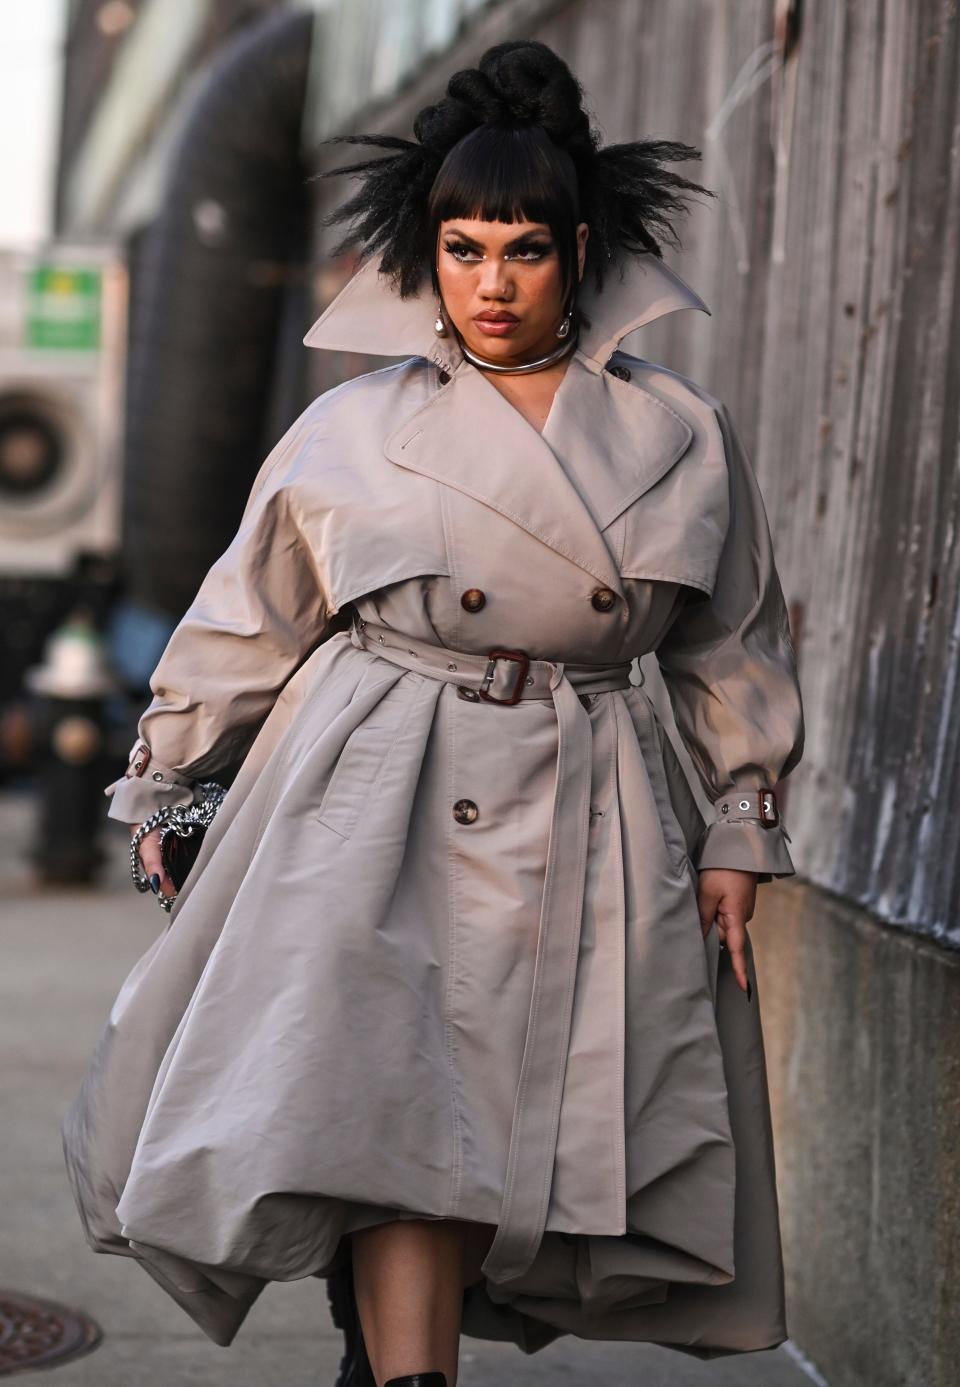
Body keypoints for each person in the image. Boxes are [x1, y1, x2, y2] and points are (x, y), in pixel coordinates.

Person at [63, 38, 805, 1387]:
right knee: (393, 1100)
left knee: (506, 1114)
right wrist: (170, 778)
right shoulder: (354, 427)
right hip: (369, 780)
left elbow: (729, 641)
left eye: (521, 250)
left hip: (592, 791)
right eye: (462, 250)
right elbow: (251, 615)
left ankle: (388, 1359)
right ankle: (408, 1378)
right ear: (428, 258)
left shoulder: (681, 432)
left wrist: (740, 828)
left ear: (580, 252)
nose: (491, 283)